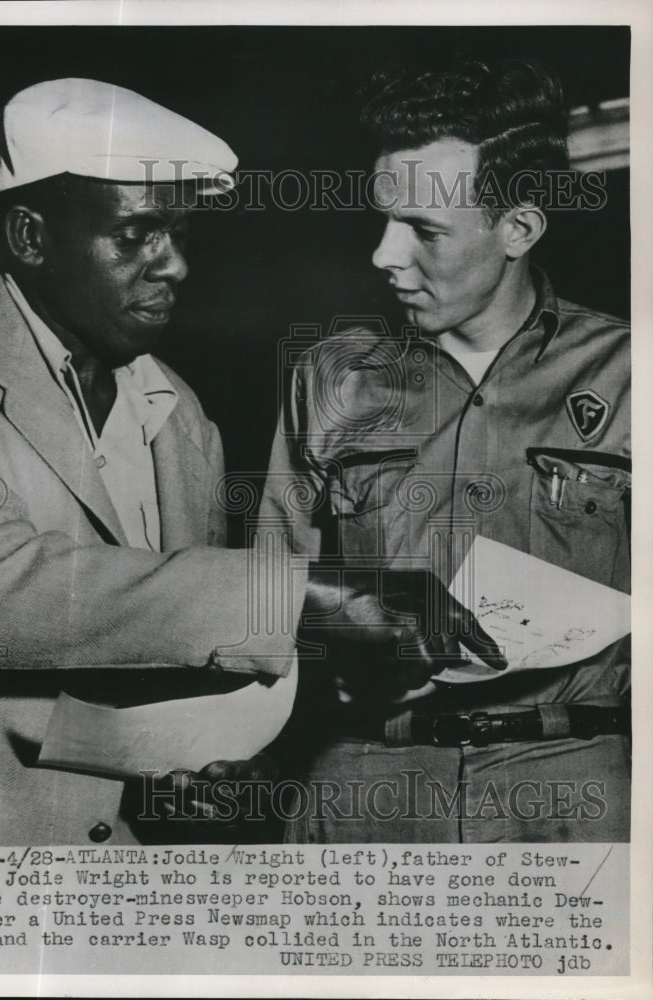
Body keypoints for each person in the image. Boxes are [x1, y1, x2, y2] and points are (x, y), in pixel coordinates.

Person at [0, 77, 499, 848]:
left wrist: (215, 764)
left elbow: (166, 635)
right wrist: (298, 596)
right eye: (136, 232)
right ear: (31, 237)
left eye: (179, 231)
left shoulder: (176, 409)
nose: (172, 264)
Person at [260, 59, 631, 842]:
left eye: (423, 230)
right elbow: (260, 591)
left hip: (577, 790)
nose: (383, 256)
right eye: (383, 221)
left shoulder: (631, 373)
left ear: (517, 229)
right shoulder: (332, 378)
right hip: (362, 785)